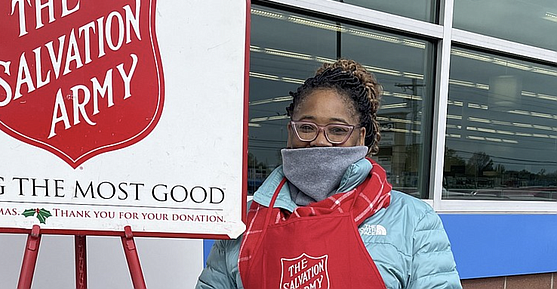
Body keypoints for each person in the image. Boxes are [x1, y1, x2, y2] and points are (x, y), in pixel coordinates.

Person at [196, 59, 462, 289]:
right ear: (290, 133)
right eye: (307, 128)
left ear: (360, 137)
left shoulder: (412, 220)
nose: (320, 142)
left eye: (337, 130)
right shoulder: (244, 222)